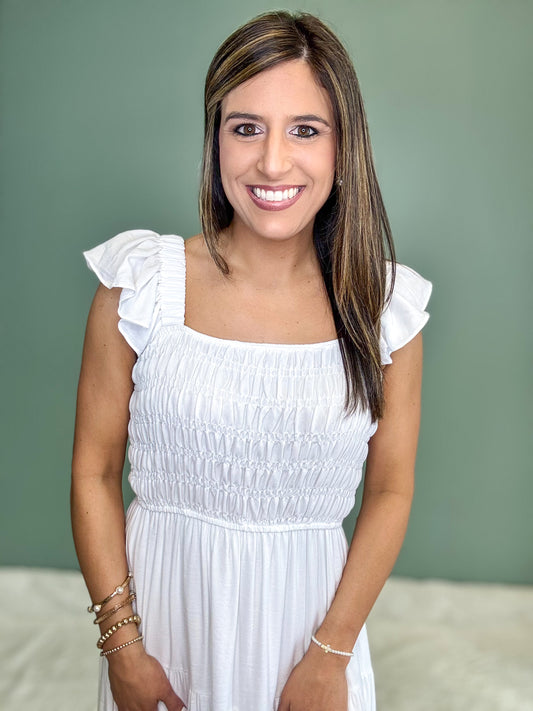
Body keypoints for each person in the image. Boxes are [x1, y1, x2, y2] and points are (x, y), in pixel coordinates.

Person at [71, 10, 432, 711]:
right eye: (245, 128)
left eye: (304, 129)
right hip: (161, 639)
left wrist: (331, 655)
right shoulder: (139, 284)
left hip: (312, 645)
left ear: (341, 146)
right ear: (214, 140)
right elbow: (94, 470)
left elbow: (389, 492)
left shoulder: (385, 307)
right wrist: (123, 649)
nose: (272, 162)